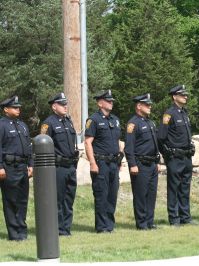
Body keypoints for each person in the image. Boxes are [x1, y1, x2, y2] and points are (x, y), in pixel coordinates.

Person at [84, 90, 123, 233]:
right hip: (100, 163)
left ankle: (110, 225)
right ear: (100, 103)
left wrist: (119, 161)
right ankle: (101, 227)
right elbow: (88, 143)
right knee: (101, 195)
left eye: (112, 100)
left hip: (113, 163)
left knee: (112, 195)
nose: (111, 102)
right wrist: (92, 163)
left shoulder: (115, 120)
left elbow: (118, 141)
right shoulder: (93, 120)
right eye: (108, 100)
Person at [41, 92, 79, 236]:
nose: (65, 107)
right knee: (57, 199)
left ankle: (66, 228)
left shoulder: (68, 121)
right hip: (57, 167)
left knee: (69, 199)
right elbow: (43, 147)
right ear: (54, 106)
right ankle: (56, 229)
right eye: (62, 104)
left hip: (70, 166)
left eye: (66, 104)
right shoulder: (48, 123)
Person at [157, 85, 195, 226]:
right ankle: (174, 218)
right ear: (174, 97)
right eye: (182, 95)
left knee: (185, 188)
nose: (185, 96)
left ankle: (185, 217)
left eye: (185, 95)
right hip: (174, 157)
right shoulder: (169, 114)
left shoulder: (184, 113)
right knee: (174, 188)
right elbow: (161, 137)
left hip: (186, 157)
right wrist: (167, 155)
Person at [124, 93, 160, 230]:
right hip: (140, 164)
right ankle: (142, 223)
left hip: (152, 164)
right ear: (139, 106)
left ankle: (150, 222)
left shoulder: (150, 123)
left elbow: (154, 145)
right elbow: (129, 147)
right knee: (140, 194)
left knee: (151, 194)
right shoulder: (133, 124)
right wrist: (132, 164)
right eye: (147, 104)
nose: (150, 106)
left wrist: (157, 162)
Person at [0, 96, 33, 240]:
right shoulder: (1, 125)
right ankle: (14, 234)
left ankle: (22, 231)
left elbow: (29, 146)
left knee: (22, 200)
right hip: (9, 168)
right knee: (11, 201)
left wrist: (31, 164)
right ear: (6, 109)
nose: (18, 109)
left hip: (23, 167)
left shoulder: (22, 125)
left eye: (18, 107)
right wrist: (0, 167)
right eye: (15, 107)